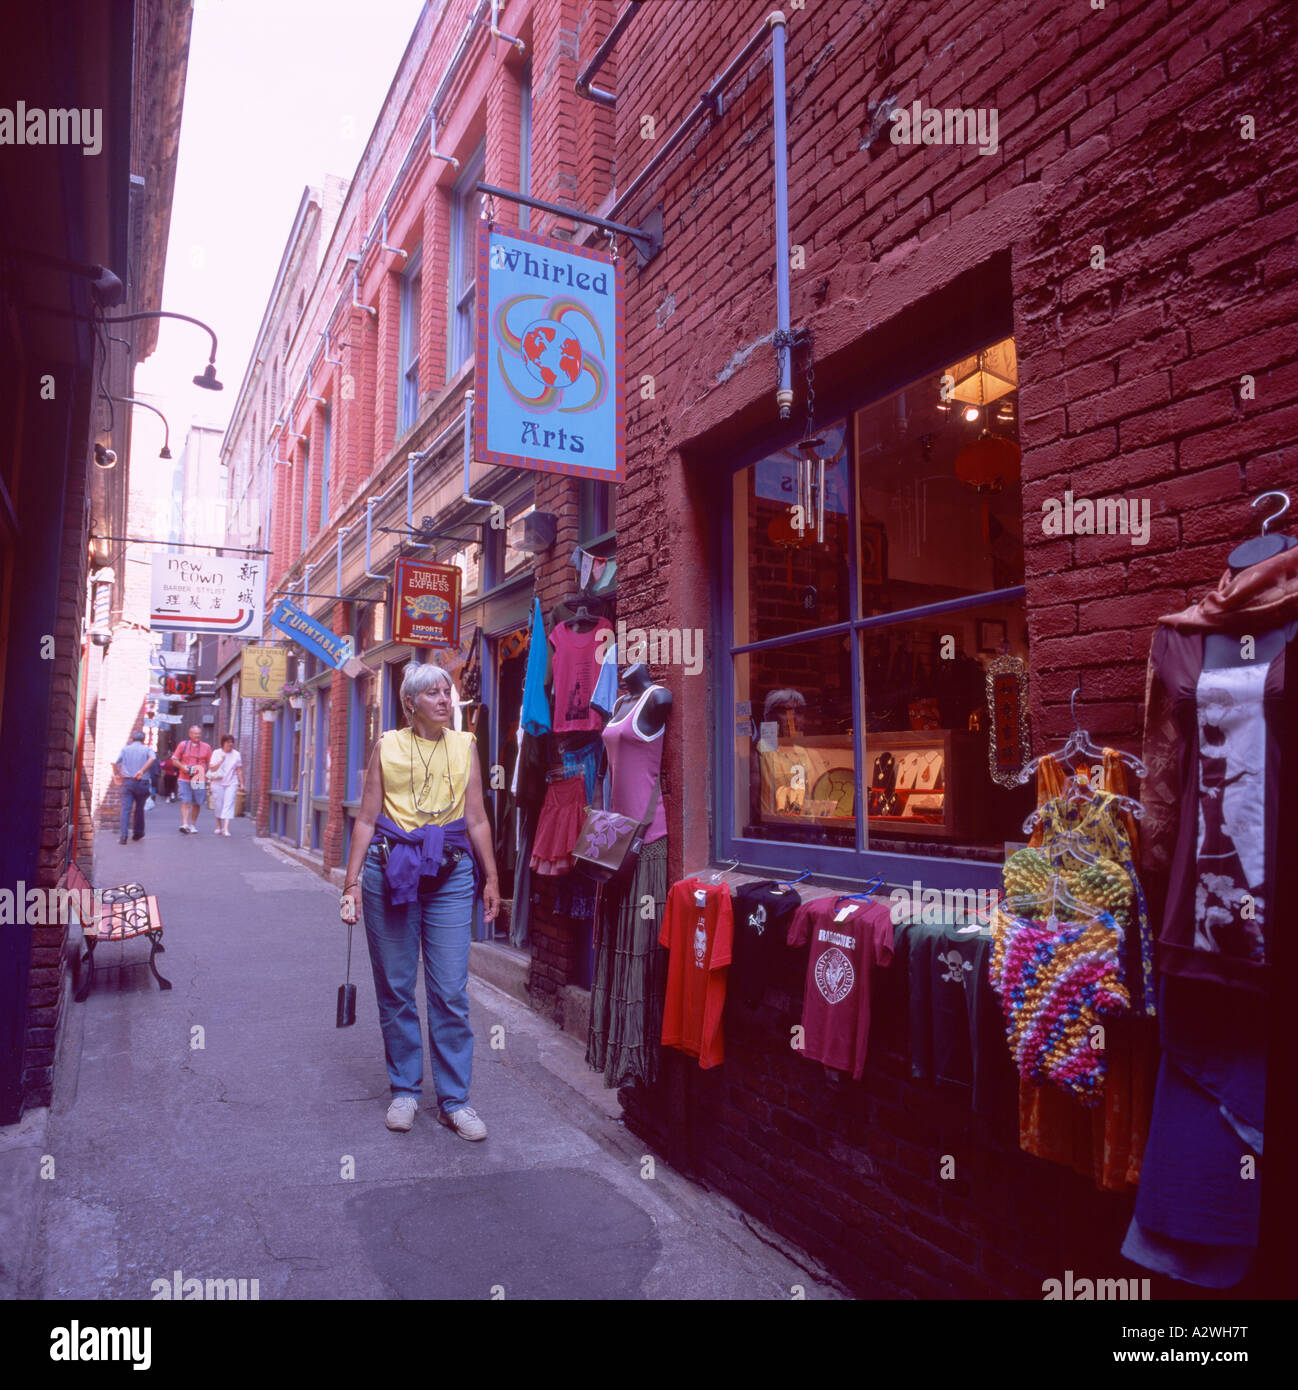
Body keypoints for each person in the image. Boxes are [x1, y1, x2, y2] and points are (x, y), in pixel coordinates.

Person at [341, 662, 500, 1141]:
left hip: (450, 873)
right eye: (433, 694)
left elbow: (476, 819)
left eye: (447, 692)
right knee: (395, 985)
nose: (445, 700)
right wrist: (349, 884)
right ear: (411, 703)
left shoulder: (465, 745)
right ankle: (406, 1090)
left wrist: (492, 878)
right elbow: (367, 819)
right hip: (390, 871)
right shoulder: (387, 746)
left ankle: (455, 1101)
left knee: (450, 991)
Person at [112, 731, 155, 843]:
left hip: (127, 782)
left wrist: (116, 774)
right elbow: (153, 758)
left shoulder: (125, 749)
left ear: (132, 739)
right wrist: (141, 770)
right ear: (143, 740)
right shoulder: (147, 749)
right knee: (139, 808)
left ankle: (123, 836)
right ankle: (138, 833)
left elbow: (114, 762)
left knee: (125, 809)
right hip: (142, 782)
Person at [173, 724, 212, 834]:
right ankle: (185, 824)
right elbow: (174, 759)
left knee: (196, 802)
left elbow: (210, 763)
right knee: (185, 800)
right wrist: (182, 767)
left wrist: (207, 774)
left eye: (199, 733)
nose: (197, 736)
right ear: (190, 734)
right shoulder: (182, 745)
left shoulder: (207, 747)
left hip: (199, 777)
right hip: (184, 777)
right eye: (195, 733)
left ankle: (192, 824)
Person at [208, 734, 244, 836]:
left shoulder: (236, 754)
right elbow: (211, 768)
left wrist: (242, 784)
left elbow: (239, 770)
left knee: (229, 804)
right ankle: (219, 825)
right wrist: (221, 760)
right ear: (223, 743)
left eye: (232, 742)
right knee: (218, 805)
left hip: (231, 783)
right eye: (228, 742)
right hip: (217, 783)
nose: (230, 744)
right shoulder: (216, 753)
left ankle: (225, 828)